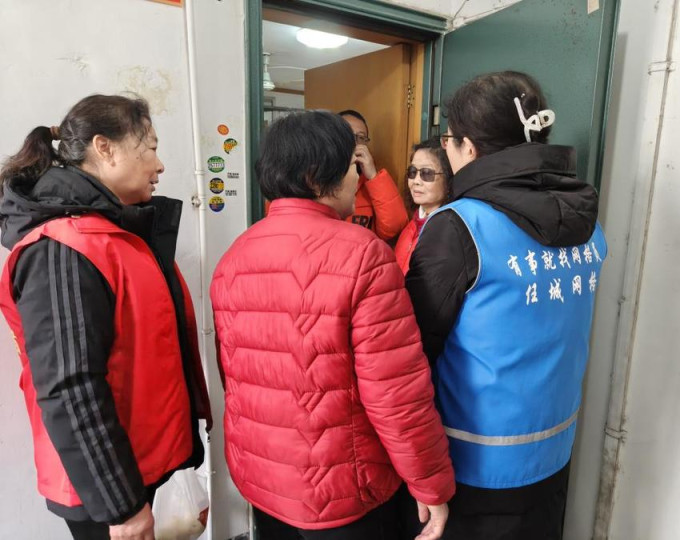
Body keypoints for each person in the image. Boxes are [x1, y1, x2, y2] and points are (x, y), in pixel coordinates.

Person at [211, 111, 454, 540]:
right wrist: (430, 482)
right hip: (344, 490)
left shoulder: (235, 255)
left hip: (264, 481)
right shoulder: (364, 254)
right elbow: (395, 393)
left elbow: (234, 378)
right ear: (317, 176)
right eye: (349, 167)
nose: (357, 178)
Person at [0, 95, 212, 540]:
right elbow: (70, 387)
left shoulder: (115, 235)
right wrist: (123, 508)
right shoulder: (61, 248)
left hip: (138, 463)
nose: (159, 165)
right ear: (105, 147)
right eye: (150, 148)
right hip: (108, 488)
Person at [405, 71, 606, 540]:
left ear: (469, 148)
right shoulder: (586, 220)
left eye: (449, 141)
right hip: (554, 451)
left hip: (475, 469)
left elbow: (411, 353)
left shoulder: (460, 227)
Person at [339, 110, 409, 240]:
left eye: (361, 138)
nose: (354, 142)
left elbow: (394, 227)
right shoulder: (317, 179)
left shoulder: (369, 182)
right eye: (347, 135)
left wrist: (373, 176)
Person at [394, 137, 452, 275]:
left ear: (449, 177)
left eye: (426, 173)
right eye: (412, 172)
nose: (416, 181)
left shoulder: (450, 232)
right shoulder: (411, 226)